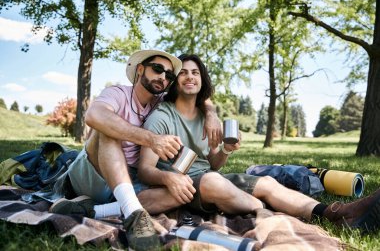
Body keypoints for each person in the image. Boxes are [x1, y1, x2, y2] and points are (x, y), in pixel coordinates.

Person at [136, 54, 380, 233]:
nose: (190, 76)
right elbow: (146, 170)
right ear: (174, 81)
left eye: (195, 72)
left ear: (202, 80)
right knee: (212, 181)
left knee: (267, 182)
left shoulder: (206, 118)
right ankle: (271, 213)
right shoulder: (161, 117)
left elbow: (214, 164)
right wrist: (169, 178)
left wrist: (226, 151)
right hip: (185, 186)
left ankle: (333, 212)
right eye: (183, 72)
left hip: (212, 181)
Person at [48, 50, 222, 251]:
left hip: (129, 180)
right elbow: (94, 116)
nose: (163, 77)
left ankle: (96, 211)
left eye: (169, 75)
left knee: (182, 189)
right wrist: (152, 139)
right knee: (109, 130)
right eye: (157, 69)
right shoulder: (117, 93)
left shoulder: (160, 102)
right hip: (92, 174)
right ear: (140, 69)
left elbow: (197, 94)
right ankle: (133, 215)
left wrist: (211, 114)